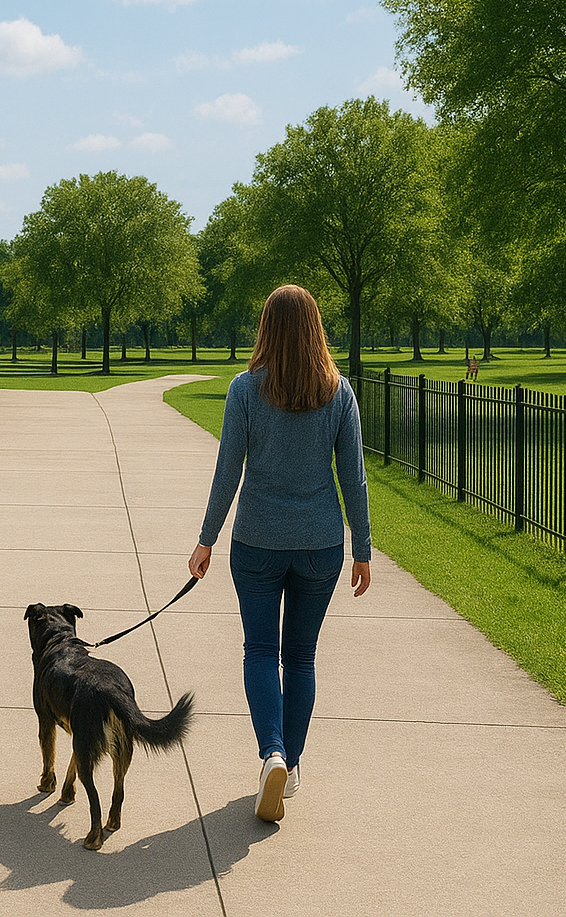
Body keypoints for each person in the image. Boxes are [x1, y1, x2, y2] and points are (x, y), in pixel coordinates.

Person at [186, 284, 372, 823]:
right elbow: (353, 480)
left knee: (261, 651)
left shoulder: (245, 390)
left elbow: (228, 470)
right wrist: (362, 547)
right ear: (317, 328)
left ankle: (270, 752)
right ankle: (291, 765)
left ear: (266, 328)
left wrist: (206, 538)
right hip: (319, 544)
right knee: (303, 657)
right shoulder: (340, 394)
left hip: (258, 542)